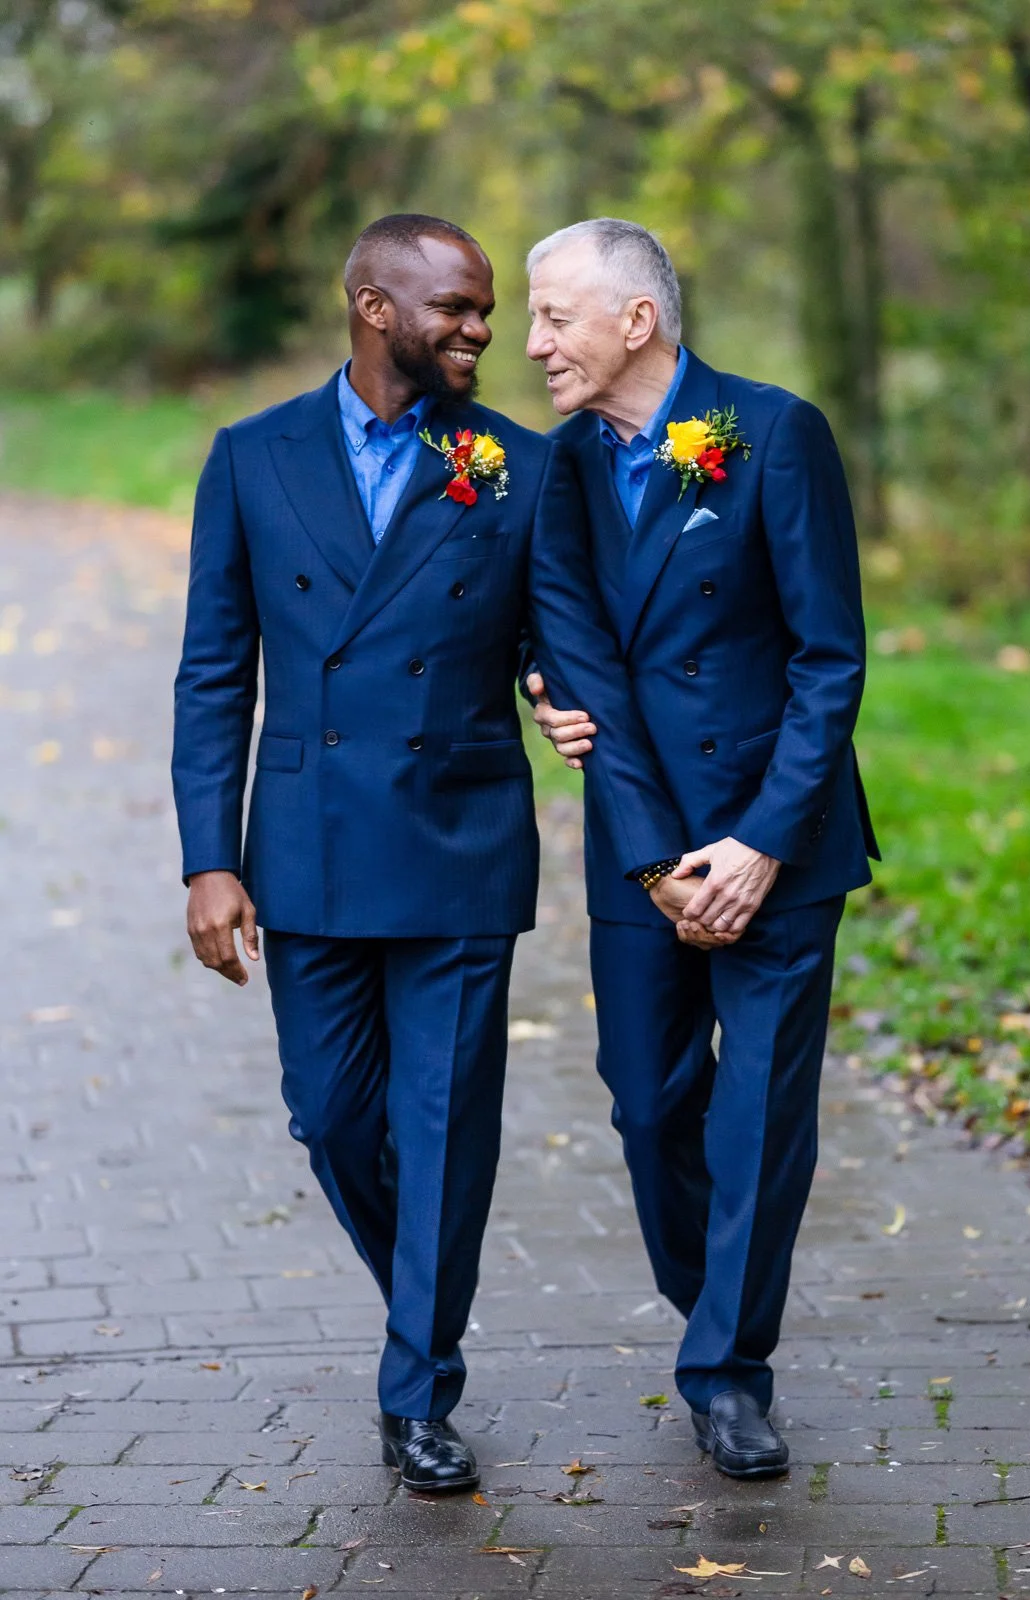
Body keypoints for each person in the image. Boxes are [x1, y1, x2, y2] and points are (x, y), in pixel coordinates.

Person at [171, 214, 686, 1494]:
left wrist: (552, 689)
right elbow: (211, 673)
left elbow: (553, 629)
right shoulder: (250, 457)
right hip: (305, 845)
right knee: (332, 1117)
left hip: (456, 836)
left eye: (485, 308)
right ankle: (427, 1280)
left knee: (446, 1124)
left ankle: (419, 1386)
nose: (481, 327)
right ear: (370, 304)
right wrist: (206, 858)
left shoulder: (514, 464)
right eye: (452, 306)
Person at [525, 218, 879, 1479]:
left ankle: (726, 1370)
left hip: (781, 844)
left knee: (758, 1117)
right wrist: (660, 860)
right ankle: (711, 1305)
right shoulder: (549, 470)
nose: (531, 343)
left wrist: (758, 846)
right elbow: (571, 659)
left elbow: (826, 657)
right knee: (646, 1105)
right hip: (639, 849)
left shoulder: (772, 433)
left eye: (554, 316)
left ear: (637, 320)